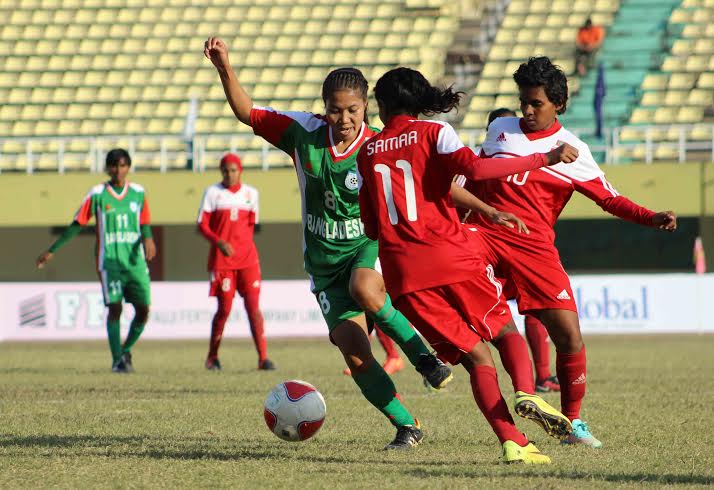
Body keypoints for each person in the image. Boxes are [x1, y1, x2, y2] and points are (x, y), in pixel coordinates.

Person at [204, 37, 453, 449]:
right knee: (355, 353)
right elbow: (247, 112)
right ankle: (407, 425)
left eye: (353, 110)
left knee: (364, 287)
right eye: (336, 110)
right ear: (324, 107)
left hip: (366, 246)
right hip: (322, 264)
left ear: (366, 107)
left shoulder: (379, 144)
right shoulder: (303, 132)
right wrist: (224, 68)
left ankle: (424, 358)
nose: (344, 118)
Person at [357, 67, 579, 464]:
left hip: (404, 278)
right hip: (451, 256)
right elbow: (475, 170)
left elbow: (372, 226)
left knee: (477, 359)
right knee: (505, 331)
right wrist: (543, 157)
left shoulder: (368, 151)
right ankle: (527, 391)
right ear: (419, 100)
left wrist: (484, 211)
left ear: (383, 106)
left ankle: (514, 442)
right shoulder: (434, 133)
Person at [454, 57, 677, 448]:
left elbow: (610, 200)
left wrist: (651, 216)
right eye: (523, 101)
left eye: (535, 103)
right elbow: (473, 175)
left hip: (534, 249)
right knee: (457, 295)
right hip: (485, 235)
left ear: (558, 103)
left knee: (570, 337)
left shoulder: (574, 150)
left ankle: (571, 423)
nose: (525, 110)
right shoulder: (500, 129)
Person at [36, 149, 155, 373]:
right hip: (109, 261)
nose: (118, 170)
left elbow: (145, 221)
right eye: (113, 166)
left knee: (143, 310)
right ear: (107, 168)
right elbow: (77, 223)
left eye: (122, 166)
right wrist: (53, 250)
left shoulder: (138, 193)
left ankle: (125, 349)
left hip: (135, 262)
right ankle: (117, 360)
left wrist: (148, 239)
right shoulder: (98, 194)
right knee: (115, 308)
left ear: (128, 167)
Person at [197, 152, 274, 371]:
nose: (229, 174)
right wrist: (219, 242)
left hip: (248, 261)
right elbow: (202, 225)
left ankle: (263, 358)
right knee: (224, 310)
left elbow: (251, 226)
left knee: (254, 309)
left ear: (240, 171)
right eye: (225, 170)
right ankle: (212, 357)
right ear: (221, 172)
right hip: (223, 262)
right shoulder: (212, 193)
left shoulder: (251, 194)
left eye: (233, 170)